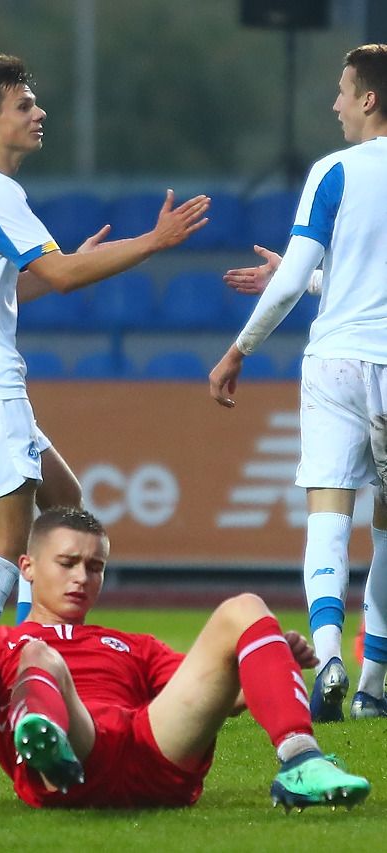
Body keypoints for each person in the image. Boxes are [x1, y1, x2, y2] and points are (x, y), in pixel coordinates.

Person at [0, 54, 210, 714]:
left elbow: (7, 281)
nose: (37, 111)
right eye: (23, 104)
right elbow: (64, 277)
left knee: (63, 499)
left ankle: (25, 652)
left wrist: (69, 260)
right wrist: (152, 241)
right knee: (12, 537)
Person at [0, 507, 371, 810]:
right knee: (39, 655)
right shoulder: (0, 645)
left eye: (95, 566)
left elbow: (219, 702)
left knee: (245, 607)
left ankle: (302, 760)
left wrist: (270, 662)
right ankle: (51, 747)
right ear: (28, 568)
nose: (81, 577)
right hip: (79, 757)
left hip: (153, 755)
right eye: (68, 563)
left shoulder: (134, 644)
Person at [210, 44, 387, 722]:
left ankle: (327, 651)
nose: (335, 104)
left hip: (337, 362)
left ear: (368, 98)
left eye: (343, 91)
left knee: (328, 514)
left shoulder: (334, 171)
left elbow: (289, 283)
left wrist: (237, 349)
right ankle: (373, 677)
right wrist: (315, 278)